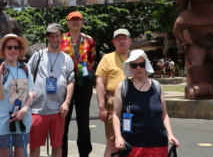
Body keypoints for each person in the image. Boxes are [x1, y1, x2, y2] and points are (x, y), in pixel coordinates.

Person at [113, 49, 180, 157]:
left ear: (146, 65)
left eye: (141, 64)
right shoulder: (124, 87)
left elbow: (164, 114)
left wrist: (170, 134)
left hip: (158, 144)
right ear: (130, 67)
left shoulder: (157, 86)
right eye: (134, 65)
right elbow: (116, 115)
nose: (138, 68)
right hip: (132, 144)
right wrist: (118, 136)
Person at [28, 23, 75, 157]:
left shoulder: (67, 59)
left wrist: (67, 102)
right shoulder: (38, 55)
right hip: (38, 109)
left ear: (62, 37)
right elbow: (27, 75)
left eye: (57, 36)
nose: (55, 39)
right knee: (34, 145)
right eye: (52, 36)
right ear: (47, 37)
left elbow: (71, 81)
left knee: (57, 145)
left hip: (59, 110)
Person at [0, 34, 35, 157]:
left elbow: (32, 92)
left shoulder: (25, 68)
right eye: (9, 47)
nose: (13, 50)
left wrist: (24, 109)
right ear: (4, 50)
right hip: (3, 121)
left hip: (22, 119)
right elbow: (0, 97)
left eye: (16, 47)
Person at [60, 11, 96, 157]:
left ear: (82, 22)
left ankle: (84, 154)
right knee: (64, 120)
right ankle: (62, 153)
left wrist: (83, 72)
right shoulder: (61, 39)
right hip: (65, 83)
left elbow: (92, 60)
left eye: (78, 20)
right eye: (72, 20)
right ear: (67, 23)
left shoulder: (89, 39)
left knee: (83, 121)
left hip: (83, 82)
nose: (75, 22)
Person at [95, 29, 132, 157]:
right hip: (113, 100)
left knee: (133, 139)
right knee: (112, 141)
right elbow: (100, 83)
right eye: (118, 39)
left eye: (124, 38)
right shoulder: (107, 58)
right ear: (114, 42)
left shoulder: (137, 58)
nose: (122, 41)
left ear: (130, 41)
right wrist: (101, 107)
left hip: (134, 100)